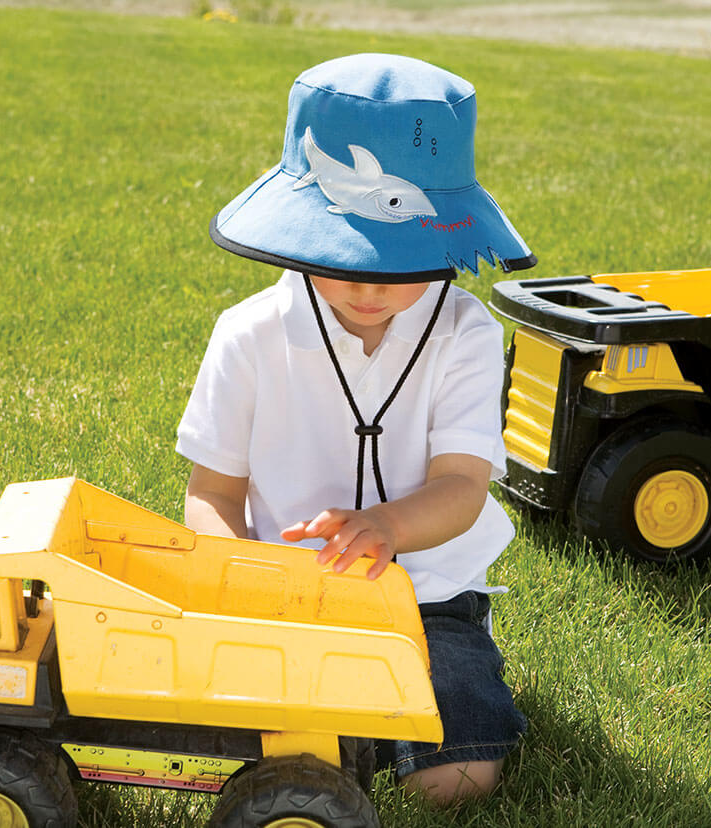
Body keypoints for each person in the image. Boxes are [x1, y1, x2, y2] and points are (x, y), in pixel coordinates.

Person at [176, 52, 536, 804]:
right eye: (347, 257)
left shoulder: (463, 330)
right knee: (258, 752)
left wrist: (385, 526)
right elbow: (212, 492)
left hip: (429, 595)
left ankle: (444, 673)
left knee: (457, 781)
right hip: (286, 595)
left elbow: (464, 486)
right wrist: (243, 578)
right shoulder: (246, 333)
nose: (371, 287)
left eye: (397, 261)